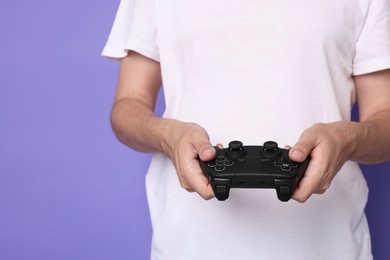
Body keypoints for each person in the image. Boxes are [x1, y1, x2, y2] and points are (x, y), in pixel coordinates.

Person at [102, 0, 390, 259]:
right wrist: (167, 137)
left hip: (328, 246)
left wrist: (347, 139)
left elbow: (383, 119)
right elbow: (128, 107)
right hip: (189, 245)